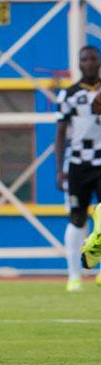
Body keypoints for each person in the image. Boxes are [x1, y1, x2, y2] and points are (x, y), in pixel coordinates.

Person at [54, 47, 101, 291]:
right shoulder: (68, 94)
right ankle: (74, 276)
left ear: (99, 62)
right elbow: (61, 133)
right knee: (77, 218)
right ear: (80, 64)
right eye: (85, 59)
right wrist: (59, 170)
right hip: (78, 164)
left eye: (93, 58)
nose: (89, 63)